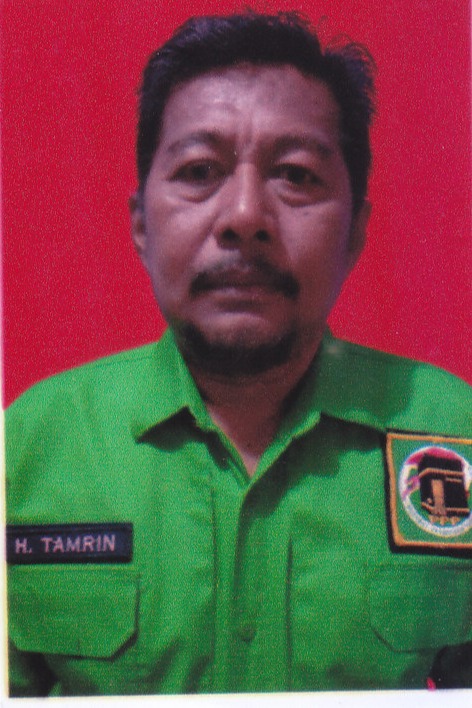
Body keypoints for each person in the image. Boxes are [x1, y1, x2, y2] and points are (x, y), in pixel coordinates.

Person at [5, 11, 472, 697]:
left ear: (355, 232)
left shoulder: (454, 432)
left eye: (296, 175)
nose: (246, 216)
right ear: (141, 225)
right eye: (200, 171)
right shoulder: (25, 448)